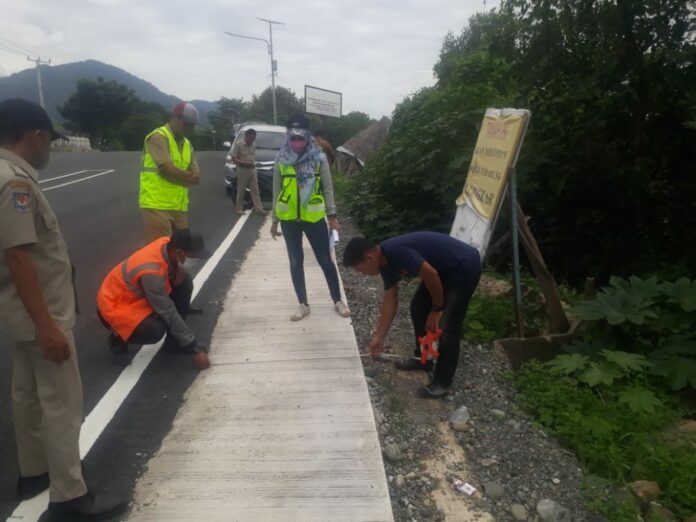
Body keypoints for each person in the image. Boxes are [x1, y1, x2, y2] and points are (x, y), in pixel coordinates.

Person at [0, 98, 126, 519]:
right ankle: (70, 496)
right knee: (61, 404)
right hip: (42, 314)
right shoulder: (15, 183)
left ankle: (34, 472)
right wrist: (48, 327)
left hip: (17, 312)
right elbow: (18, 256)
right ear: (36, 136)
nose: (49, 149)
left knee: (27, 395)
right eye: (49, 141)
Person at [342, 232, 481, 398]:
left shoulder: (396, 252)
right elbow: (390, 299)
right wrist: (379, 336)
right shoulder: (384, 263)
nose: (363, 274)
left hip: (463, 266)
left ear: (369, 258)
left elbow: (431, 275)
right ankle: (424, 359)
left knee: (446, 325)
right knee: (418, 308)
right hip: (441, 271)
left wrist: (437, 309)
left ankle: (443, 381)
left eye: (361, 270)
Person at [270, 114, 351, 321]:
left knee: (325, 260)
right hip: (289, 220)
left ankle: (338, 300)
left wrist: (332, 216)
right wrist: (274, 219)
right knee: (295, 261)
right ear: (288, 137)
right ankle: (303, 304)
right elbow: (276, 190)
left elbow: (328, 189)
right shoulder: (281, 158)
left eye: (301, 137)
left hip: (314, 219)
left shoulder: (318, 158)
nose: (297, 141)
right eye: (293, 137)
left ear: (308, 136)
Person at [96, 229, 211, 370]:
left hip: (135, 296)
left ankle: (173, 344)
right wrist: (193, 347)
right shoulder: (151, 272)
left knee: (184, 282)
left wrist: (177, 269)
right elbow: (167, 310)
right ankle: (118, 337)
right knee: (154, 330)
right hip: (114, 306)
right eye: (194, 256)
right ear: (179, 252)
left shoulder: (167, 244)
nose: (196, 260)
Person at [139, 101, 201, 242]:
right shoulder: (158, 137)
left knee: (184, 249)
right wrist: (188, 176)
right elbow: (169, 171)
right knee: (161, 249)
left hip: (178, 206)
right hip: (156, 205)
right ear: (176, 117)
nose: (190, 128)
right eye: (187, 123)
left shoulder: (187, 144)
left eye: (192, 125)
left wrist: (179, 175)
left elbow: (197, 178)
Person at [232, 128, 267, 216]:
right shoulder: (239, 145)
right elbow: (233, 158)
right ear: (247, 136)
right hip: (242, 169)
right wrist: (244, 163)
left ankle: (259, 209)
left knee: (255, 190)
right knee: (241, 189)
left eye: (254, 138)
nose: (253, 140)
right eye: (251, 138)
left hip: (252, 169)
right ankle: (239, 208)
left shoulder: (253, 145)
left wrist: (252, 164)